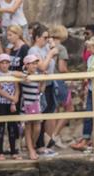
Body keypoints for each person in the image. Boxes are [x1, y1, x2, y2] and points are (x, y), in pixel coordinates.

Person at [28, 24, 58, 154]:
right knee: (39, 116)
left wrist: (52, 46)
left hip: (49, 84)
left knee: (48, 113)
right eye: (45, 37)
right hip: (39, 87)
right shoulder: (33, 51)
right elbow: (42, 67)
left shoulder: (46, 48)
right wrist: (50, 53)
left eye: (48, 37)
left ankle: (45, 143)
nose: (47, 40)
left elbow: (55, 58)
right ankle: (38, 145)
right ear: (37, 38)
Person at [47, 24, 72, 148]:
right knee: (69, 109)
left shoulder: (47, 46)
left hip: (48, 81)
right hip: (59, 81)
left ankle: (51, 137)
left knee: (53, 110)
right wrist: (72, 76)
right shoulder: (61, 48)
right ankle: (55, 136)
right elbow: (62, 68)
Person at [0, 52, 20, 159]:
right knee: (1, 127)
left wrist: (14, 100)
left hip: (12, 102)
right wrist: (12, 98)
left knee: (12, 127)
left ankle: (13, 151)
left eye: (6, 63)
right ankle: (0, 152)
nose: (4, 65)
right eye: (2, 63)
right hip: (1, 102)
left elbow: (17, 88)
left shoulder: (13, 74)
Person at [19, 53, 42, 160]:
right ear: (27, 65)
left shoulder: (37, 74)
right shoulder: (24, 74)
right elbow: (14, 73)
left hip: (36, 103)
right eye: (32, 64)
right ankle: (31, 149)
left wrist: (43, 80)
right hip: (27, 104)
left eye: (35, 64)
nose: (34, 66)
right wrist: (24, 76)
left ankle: (31, 145)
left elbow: (40, 90)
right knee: (28, 127)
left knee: (37, 127)